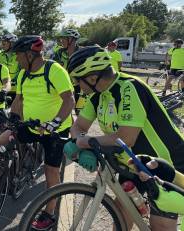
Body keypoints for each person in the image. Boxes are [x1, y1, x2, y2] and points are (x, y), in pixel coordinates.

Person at [65, 46, 184, 230]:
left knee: (160, 225)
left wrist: (87, 142)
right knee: (120, 216)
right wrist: (80, 141)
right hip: (133, 164)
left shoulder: (129, 87)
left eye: (77, 80)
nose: (77, 86)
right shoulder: (99, 96)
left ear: (92, 77)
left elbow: (126, 138)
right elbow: (78, 126)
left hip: (163, 164)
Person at [0, 36, 75, 230]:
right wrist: (12, 120)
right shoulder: (23, 74)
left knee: (51, 172)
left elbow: (69, 100)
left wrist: (54, 123)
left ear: (30, 54)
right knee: (1, 140)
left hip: (55, 131)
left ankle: (49, 213)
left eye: (19, 56)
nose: (16, 60)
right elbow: (19, 100)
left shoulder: (54, 70)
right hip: (31, 126)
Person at [54, 28, 83, 111]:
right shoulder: (59, 53)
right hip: (63, 87)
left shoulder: (82, 53)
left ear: (71, 39)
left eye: (63, 38)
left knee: (77, 113)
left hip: (79, 87)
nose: (61, 41)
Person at [0, 33, 21, 100]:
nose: (2, 45)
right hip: (2, 90)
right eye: (2, 43)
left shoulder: (19, 55)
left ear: (12, 43)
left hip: (16, 91)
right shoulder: (0, 55)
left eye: (4, 43)